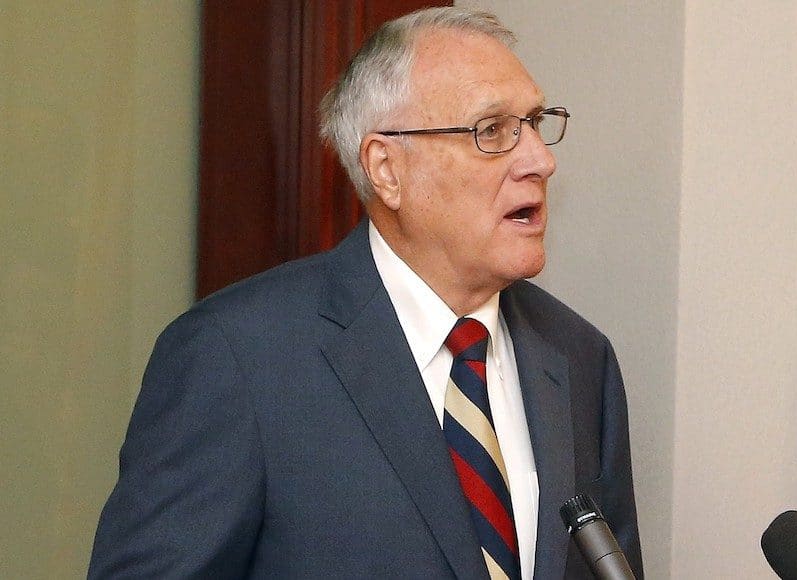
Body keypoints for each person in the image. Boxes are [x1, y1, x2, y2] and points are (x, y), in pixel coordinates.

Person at [88, 7, 641, 579]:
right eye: (493, 130)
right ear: (386, 169)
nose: (541, 160)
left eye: (535, 122)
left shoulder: (578, 357)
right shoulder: (237, 358)